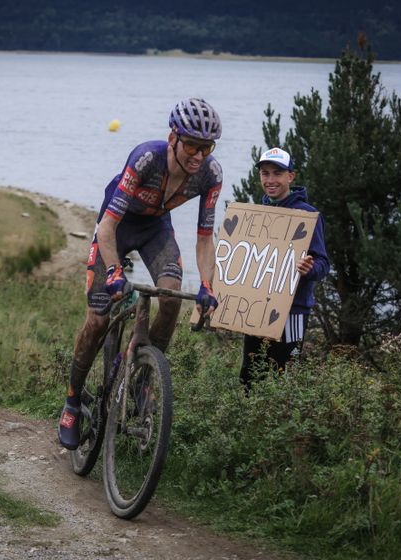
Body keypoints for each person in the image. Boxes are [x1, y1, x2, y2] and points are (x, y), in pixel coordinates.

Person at [58, 97, 223, 450]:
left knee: (171, 298)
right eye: (192, 145)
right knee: (97, 320)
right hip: (117, 225)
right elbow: (107, 227)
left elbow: (205, 239)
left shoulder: (211, 174)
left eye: (206, 147)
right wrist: (114, 271)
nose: (198, 155)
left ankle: (144, 376)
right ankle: (72, 402)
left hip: (155, 230)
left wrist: (208, 285)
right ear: (173, 138)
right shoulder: (146, 158)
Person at [239, 148, 330, 388]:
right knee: (250, 378)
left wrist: (309, 268)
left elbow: (323, 264)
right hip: (257, 309)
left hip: (293, 310)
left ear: (291, 176)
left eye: (277, 173)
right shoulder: (257, 213)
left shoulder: (308, 215)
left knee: (285, 379)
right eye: (265, 173)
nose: (270, 180)